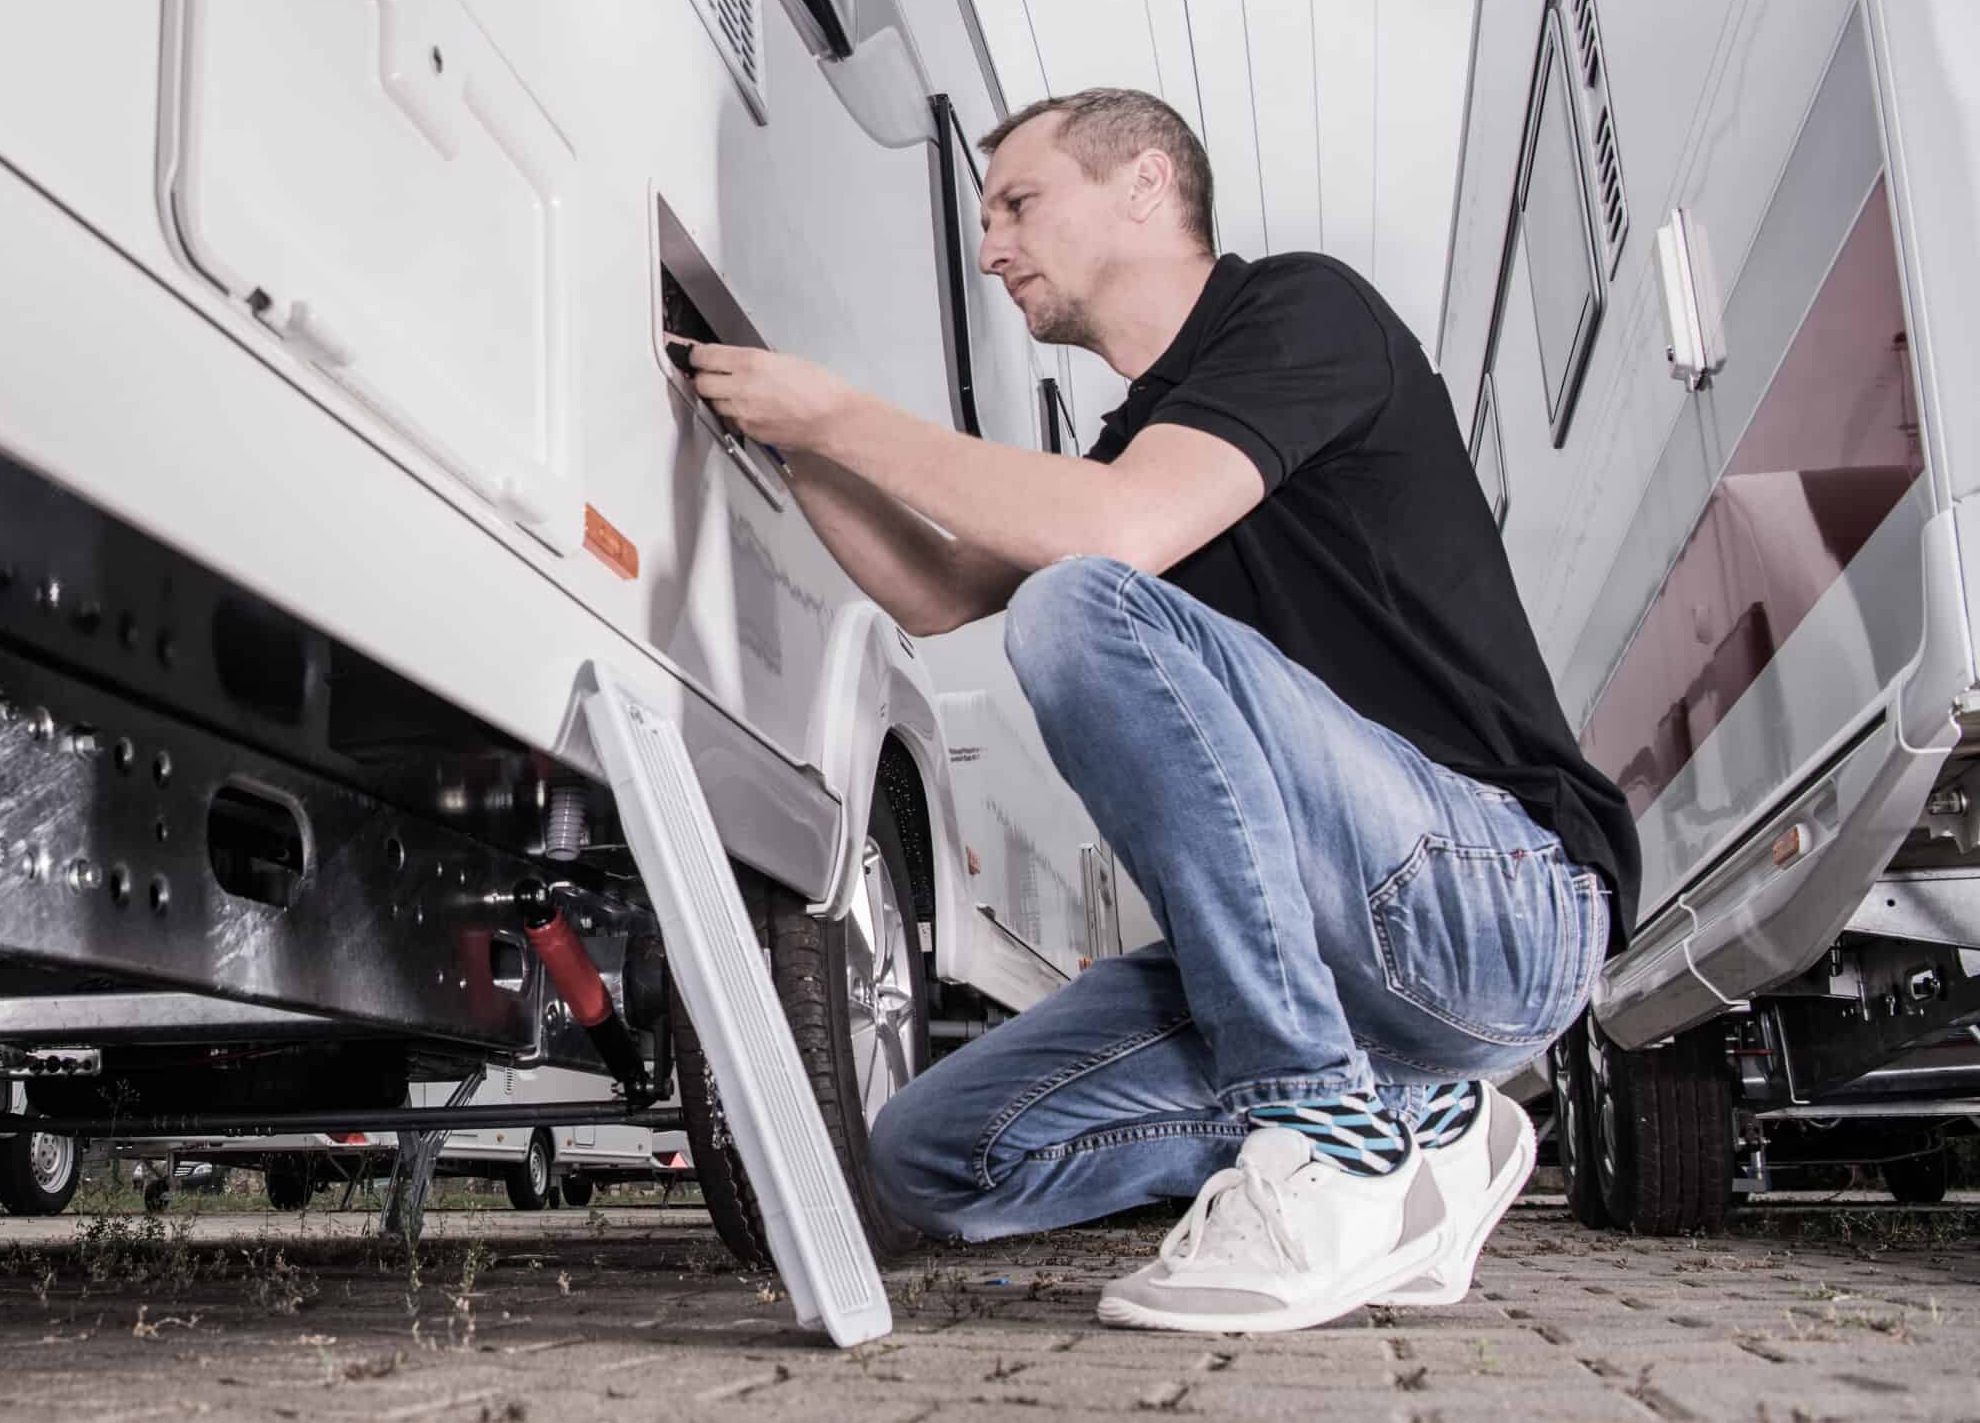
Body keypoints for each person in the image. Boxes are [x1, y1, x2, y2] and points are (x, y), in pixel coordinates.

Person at [681, 88, 1636, 1334]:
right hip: (1351, 961)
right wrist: (796, 441)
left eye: (1017, 202)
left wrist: (843, 412)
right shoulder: (1140, 440)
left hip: (1501, 898)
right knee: (928, 1153)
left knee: (1078, 602)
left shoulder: (1304, 312)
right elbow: (930, 586)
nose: (989, 247)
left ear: (1144, 182)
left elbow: (1107, 538)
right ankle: (1429, 1119)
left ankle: (1323, 1134)